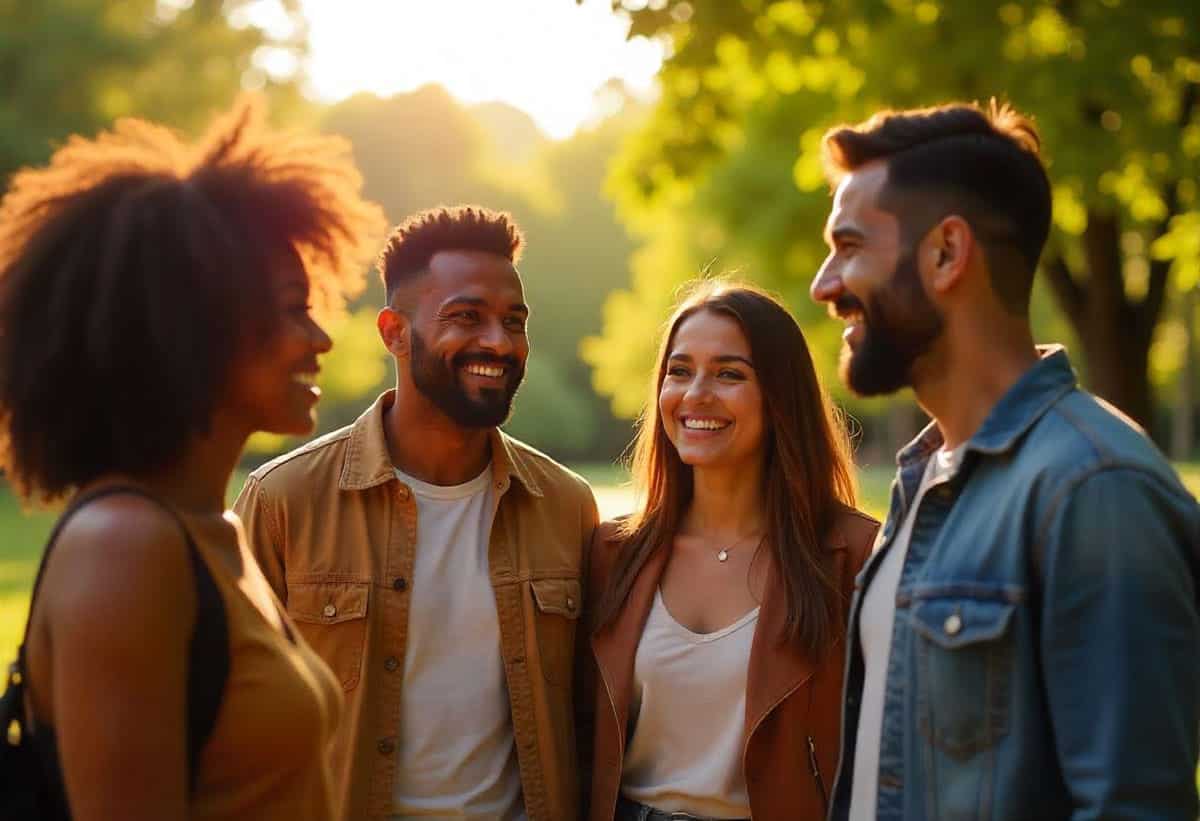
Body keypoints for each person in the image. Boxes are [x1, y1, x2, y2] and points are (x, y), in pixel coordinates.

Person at [810, 100, 1200, 820]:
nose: (824, 284)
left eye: (851, 245)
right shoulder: (922, 481)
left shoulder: (1096, 490)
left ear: (946, 254)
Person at [0, 97, 385, 820]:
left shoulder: (218, 529)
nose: (320, 338)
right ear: (194, 325)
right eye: (291, 307)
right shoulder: (124, 548)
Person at [233, 204, 599, 821]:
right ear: (393, 332)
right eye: (465, 317)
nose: (498, 342)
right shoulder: (283, 502)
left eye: (514, 321)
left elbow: (595, 716)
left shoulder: (566, 506)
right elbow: (227, 726)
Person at [579, 280, 879, 821]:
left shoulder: (855, 556)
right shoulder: (611, 553)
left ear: (780, 396)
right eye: (679, 370)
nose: (696, 395)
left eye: (729, 374)